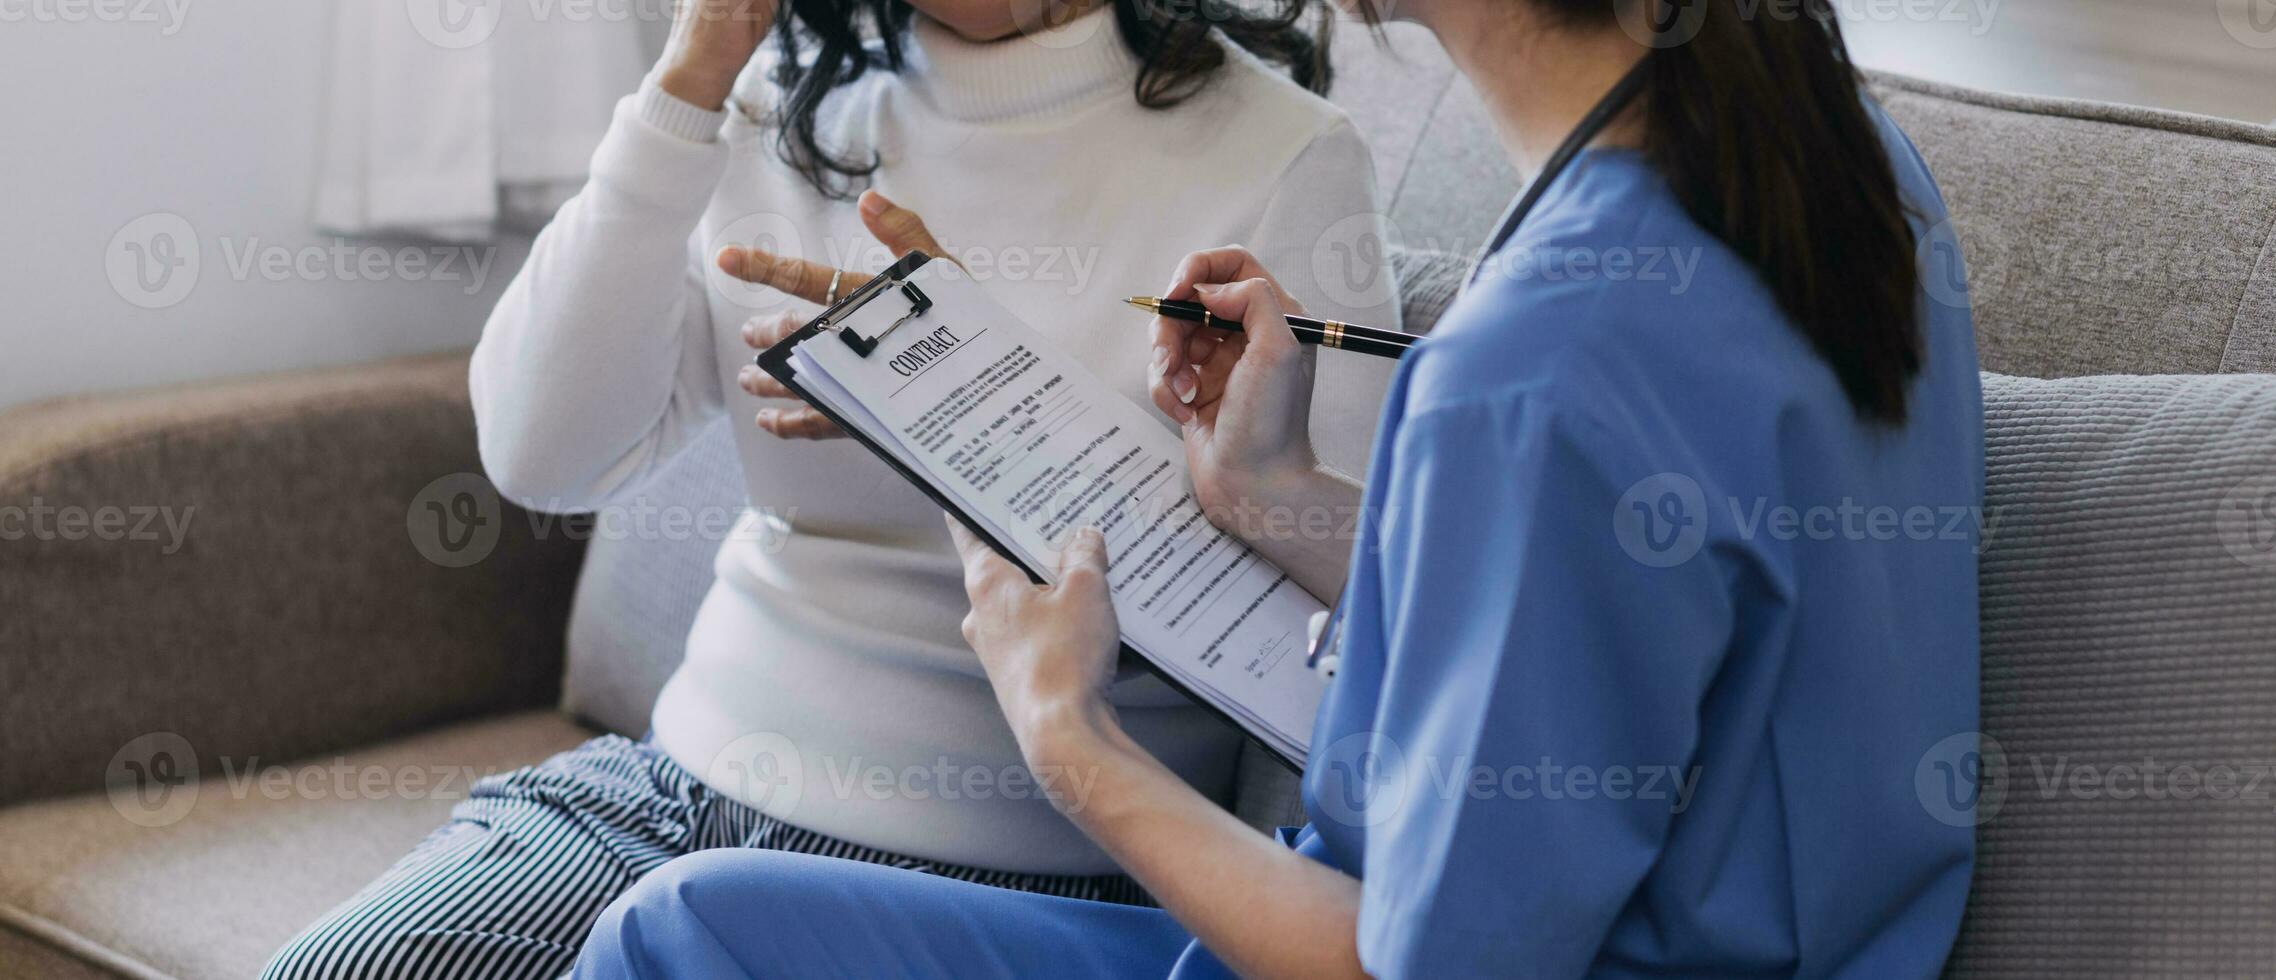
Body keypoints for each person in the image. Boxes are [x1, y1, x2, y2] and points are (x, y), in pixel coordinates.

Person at [572, 0, 1989, 974]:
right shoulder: (1842, 178)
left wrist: (1066, 735)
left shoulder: (1529, 367)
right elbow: (1595, 617)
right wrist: (1273, 495)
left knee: (679, 935)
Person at [263, 0, 1401, 975]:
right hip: (674, 789)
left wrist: (973, 386)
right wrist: (690, 76)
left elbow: (1347, 634)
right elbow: (539, 452)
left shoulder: (1286, 156)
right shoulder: (778, 102)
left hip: (1009, 881)